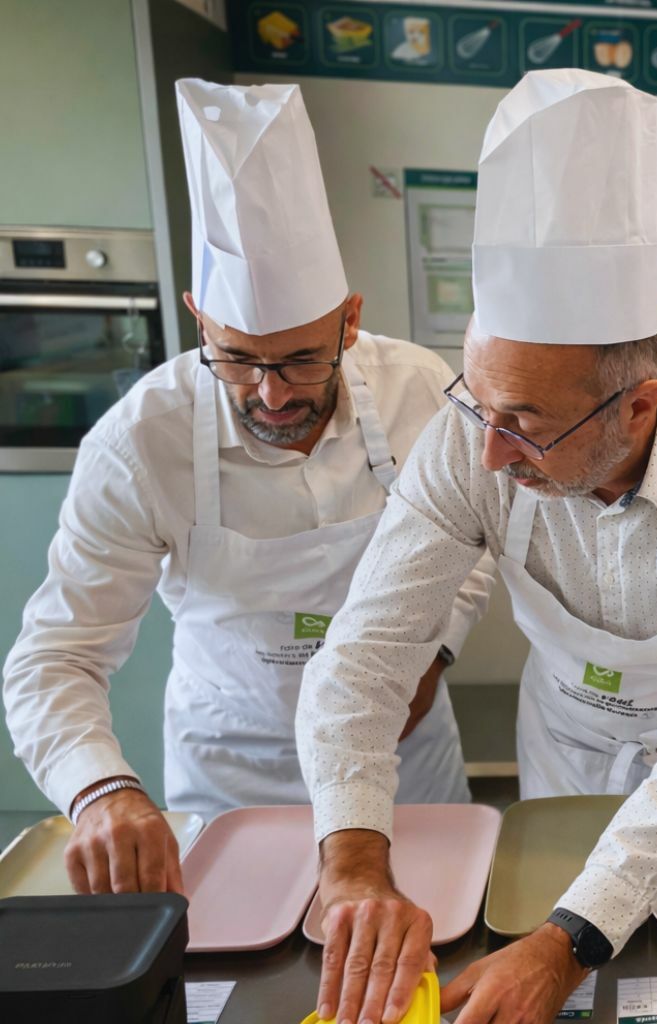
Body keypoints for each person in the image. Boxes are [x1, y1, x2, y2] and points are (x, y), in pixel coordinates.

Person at [296, 70, 657, 1024]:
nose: (492, 452)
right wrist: (357, 862)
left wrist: (570, 943)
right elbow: (363, 660)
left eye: (526, 424)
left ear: (639, 406)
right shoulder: (471, 439)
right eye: (481, 407)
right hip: (570, 748)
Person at [1, 80, 491, 896]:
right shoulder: (138, 442)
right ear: (199, 318)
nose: (271, 394)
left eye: (302, 359)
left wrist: (438, 650)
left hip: (401, 766)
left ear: (349, 320)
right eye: (235, 358)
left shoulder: (420, 392)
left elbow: (472, 541)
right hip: (235, 776)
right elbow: (55, 654)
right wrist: (99, 789)